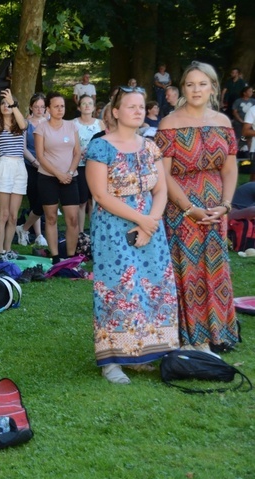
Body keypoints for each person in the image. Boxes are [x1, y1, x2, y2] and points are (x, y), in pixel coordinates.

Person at [85, 87, 179, 384]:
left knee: (152, 286)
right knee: (120, 288)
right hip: (115, 228)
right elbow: (100, 194)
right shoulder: (100, 147)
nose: (139, 111)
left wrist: (150, 222)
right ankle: (112, 361)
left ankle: (143, 353)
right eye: (131, 106)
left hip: (151, 226)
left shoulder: (150, 147)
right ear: (115, 112)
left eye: (141, 106)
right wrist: (140, 220)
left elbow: (160, 189)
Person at [155, 61, 239, 354]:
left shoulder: (223, 122)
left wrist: (226, 205)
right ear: (182, 88)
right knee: (188, 270)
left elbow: (229, 169)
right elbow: (163, 174)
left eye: (202, 84)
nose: (196, 90)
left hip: (217, 208)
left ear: (213, 87)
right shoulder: (169, 123)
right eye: (190, 84)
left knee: (214, 269)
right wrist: (189, 208)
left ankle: (217, 333)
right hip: (181, 209)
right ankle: (192, 337)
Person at [34, 92, 81, 263]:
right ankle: (55, 256)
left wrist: (68, 173)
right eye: (56, 106)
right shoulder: (41, 128)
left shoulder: (72, 126)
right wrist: (58, 174)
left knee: (73, 219)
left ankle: (70, 256)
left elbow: (77, 153)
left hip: (70, 178)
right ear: (48, 108)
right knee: (52, 217)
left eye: (62, 106)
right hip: (47, 178)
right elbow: (40, 156)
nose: (60, 109)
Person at [0, 89, 28, 258]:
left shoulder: (20, 125)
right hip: (4, 165)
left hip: (19, 166)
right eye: (3, 104)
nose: (6, 106)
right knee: (3, 213)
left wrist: (13, 103)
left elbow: (24, 124)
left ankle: (8, 249)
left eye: (8, 104)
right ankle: (0, 251)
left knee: (13, 215)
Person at [19, 93, 48, 247]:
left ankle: (23, 229)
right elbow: (23, 148)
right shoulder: (25, 123)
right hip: (31, 165)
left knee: (44, 199)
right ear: (31, 107)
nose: (39, 109)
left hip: (48, 166)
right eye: (36, 106)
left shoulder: (50, 122)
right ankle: (38, 235)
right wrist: (35, 162)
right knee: (34, 199)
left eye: (42, 107)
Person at [73, 94, 105, 232]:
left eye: (90, 103)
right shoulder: (73, 124)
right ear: (79, 107)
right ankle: (80, 232)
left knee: (95, 200)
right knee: (82, 201)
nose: (87, 106)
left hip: (97, 166)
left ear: (93, 107)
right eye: (84, 103)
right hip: (79, 165)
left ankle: (94, 230)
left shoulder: (100, 123)